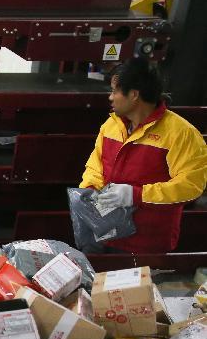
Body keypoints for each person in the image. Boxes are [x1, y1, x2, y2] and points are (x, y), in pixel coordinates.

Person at [80, 58, 207, 253]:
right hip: (102, 234)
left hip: (145, 244)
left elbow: (191, 185)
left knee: (133, 285)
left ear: (134, 95)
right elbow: (94, 166)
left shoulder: (181, 134)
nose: (110, 98)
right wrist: (90, 190)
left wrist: (136, 195)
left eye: (114, 91)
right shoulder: (111, 126)